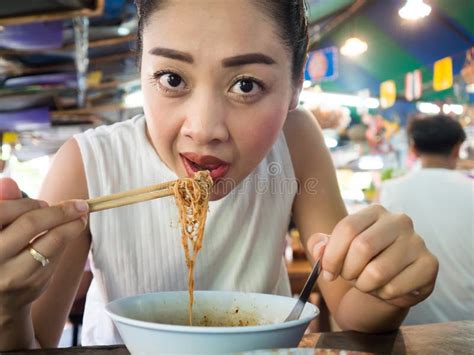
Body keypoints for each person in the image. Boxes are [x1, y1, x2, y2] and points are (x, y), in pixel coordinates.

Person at [0, 1, 438, 350]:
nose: (204, 128)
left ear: (294, 90)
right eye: (172, 78)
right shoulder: (88, 161)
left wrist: (386, 288)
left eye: (246, 85)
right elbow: (36, 341)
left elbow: (347, 308)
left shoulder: (297, 138)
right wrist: (6, 308)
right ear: (142, 73)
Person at [380, 114, 473, 324]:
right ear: (457, 148)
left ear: (413, 149)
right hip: (468, 323)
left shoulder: (391, 191)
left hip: (407, 322)